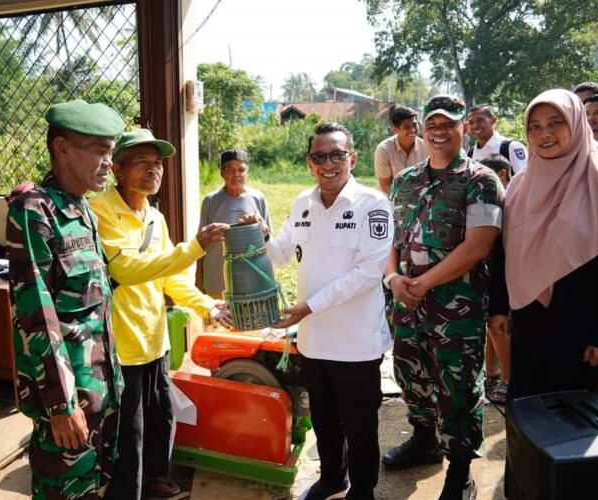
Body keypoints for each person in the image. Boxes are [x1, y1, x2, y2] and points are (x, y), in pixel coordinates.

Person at [495, 88, 598, 498]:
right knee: (524, 418)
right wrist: (501, 310)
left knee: (573, 434)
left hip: (582, 333)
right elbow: (504, 252)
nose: (544, 134)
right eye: (535, 126)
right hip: (530, 324)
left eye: (556, 123)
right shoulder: (523, 184)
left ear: (576, 123)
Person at [243, 122, 393, 500]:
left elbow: (368, 273)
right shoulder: (301, 203)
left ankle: (362, 489)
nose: (329, 164)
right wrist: (258, 236)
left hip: (355, 342)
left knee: (360, 424)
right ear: (310, 163)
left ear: (352, 158)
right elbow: (279, 254)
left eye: (337, 155)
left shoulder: (372, 204)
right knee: (324, 421)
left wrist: (307, 306)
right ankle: (331, 478)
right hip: (312, 340)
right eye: (319, 157)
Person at [88, 128, 231, 500]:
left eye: (157, 163)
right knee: (129, 431)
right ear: (118, 169)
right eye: (141, 162)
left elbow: (169, 277)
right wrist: (194, 249)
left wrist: (207, 305)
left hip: (156, 339)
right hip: (124, 344)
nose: (153, 170)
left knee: (162, 416)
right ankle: (125, 492)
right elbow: (126, 269)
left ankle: (156, 477)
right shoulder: (101, 210)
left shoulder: (156, 217)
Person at [384, 95, 503, 500]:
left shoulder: (481, 180)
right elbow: (394, 242)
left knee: (459, 387)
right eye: (431, 123)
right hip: (406, 305)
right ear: (422, 128)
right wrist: (392, 278)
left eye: (448, 124)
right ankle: (424, 441)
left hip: (457, 310)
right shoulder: (405, 180)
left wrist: (423, 284)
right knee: (411, 376)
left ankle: (461, 471)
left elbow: (478, 246)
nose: (438, 131)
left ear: (463, 128)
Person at [6, 99, 126, 499]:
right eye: (100, 150)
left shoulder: (83, 211)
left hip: (103, 388)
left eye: (111, 151)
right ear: (62, 148)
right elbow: (36, 314)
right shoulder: (33, 210)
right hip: (69, 397)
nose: (109, 162)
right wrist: (60, 405)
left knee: (96, 489)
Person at [199, 149, 271, 299]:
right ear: (222, 173)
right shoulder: (210, 200)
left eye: (241, 170)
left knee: (247, 320)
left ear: (247, 173)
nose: (236, 174)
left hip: (250, 278)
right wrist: (199, 280)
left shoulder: (258, 198)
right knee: (218, 320)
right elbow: (201, 244)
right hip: (216, 278)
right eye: (230, 169)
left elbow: (268, 239)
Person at [477, 153, 512, 404]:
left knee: (499, 326)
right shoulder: (492, 202)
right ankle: (491, 372)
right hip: (489, 269)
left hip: (505, 271)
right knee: (490, 326)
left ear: (500, 176)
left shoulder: (512, 202)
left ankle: (509, 379)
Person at [374, 105, 429, 194]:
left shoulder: (426, 147)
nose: (412, 130)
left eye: (415, 125)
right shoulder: (384, 149)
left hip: (417, 200)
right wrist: (408, 197)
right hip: (389, 199)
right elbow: (385, 186)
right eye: (406, 127)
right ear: (395, 129)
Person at [466, 103, 528, 176]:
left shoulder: (511, 147)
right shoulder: (470, 154)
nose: (475, 125)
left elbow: (527, 180)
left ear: (493, 120)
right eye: (471, 122)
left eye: (480, 120)